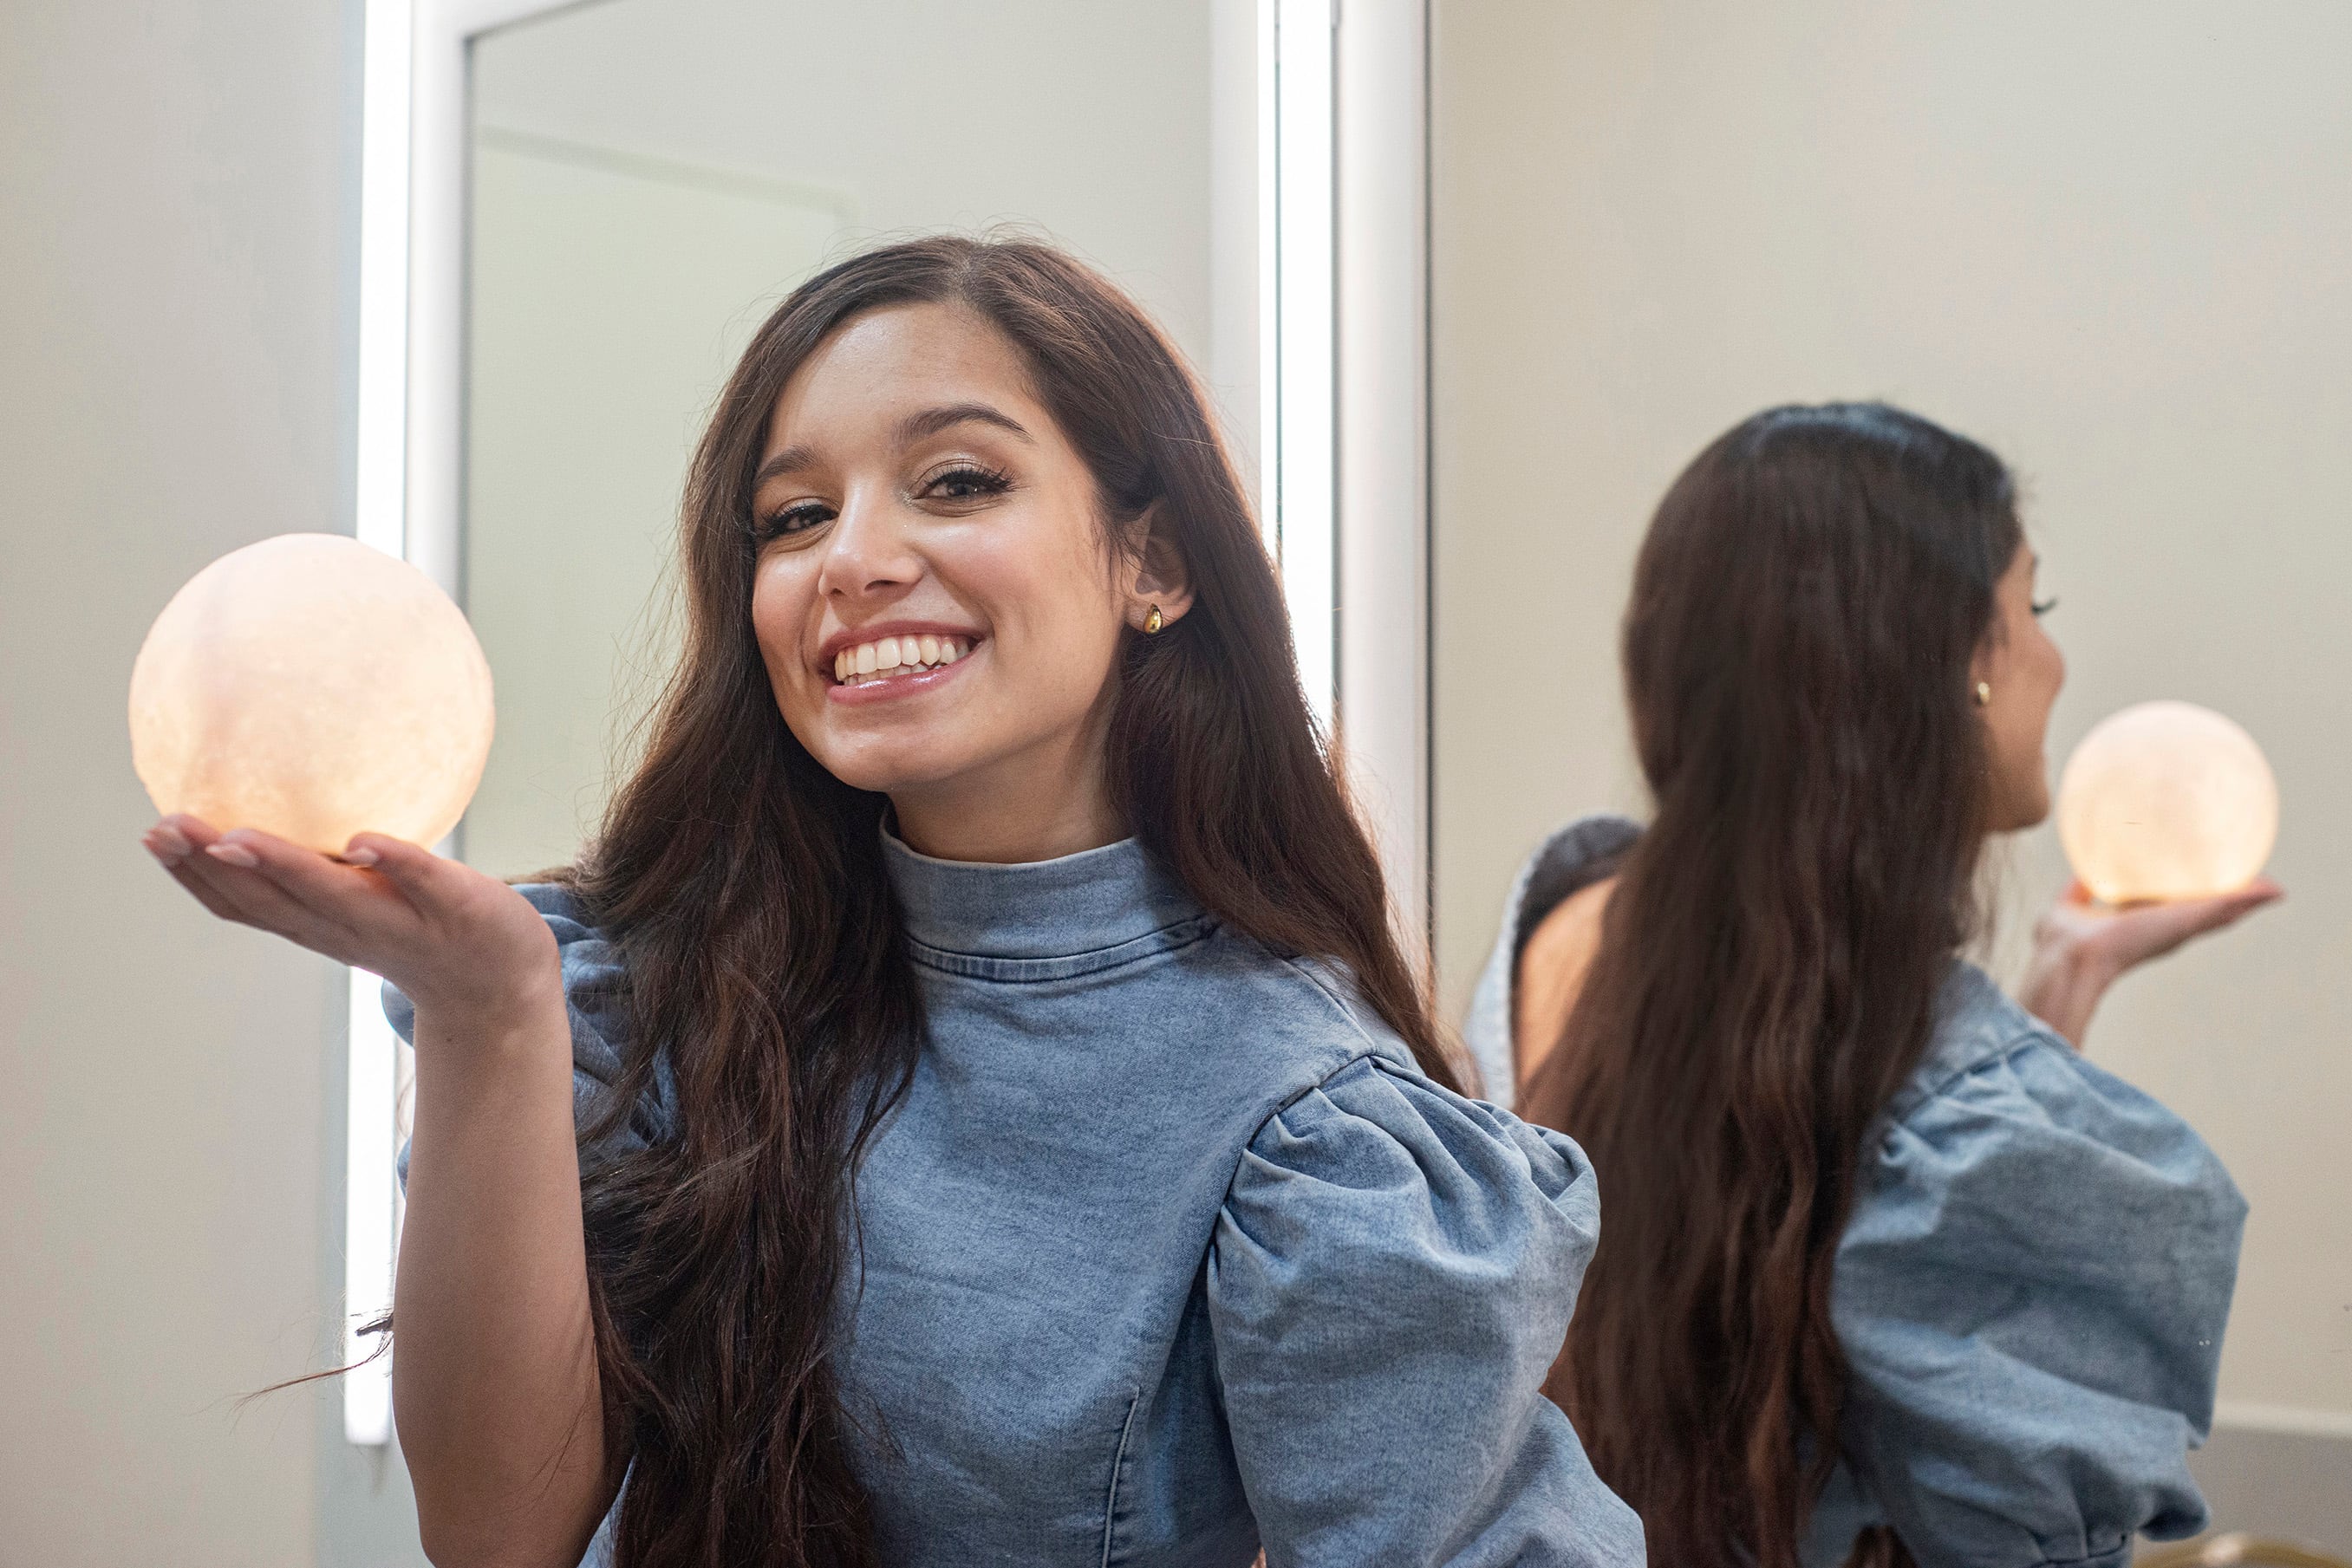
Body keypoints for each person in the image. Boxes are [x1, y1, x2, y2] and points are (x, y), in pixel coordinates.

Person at [144, 237, 1645, 1568]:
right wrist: (490, 1018)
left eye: (958, 482)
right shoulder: (638, 982)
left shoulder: (1311, 1131)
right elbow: (498, 1537)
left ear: (1157, 560)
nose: (853, 560)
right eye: (792, 517)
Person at [1465, 403, 2272, 1568]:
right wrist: (2012, 1057)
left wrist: (2059, 982)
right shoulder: (1985, 1131)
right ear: (1957, 673)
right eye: (2029, 609)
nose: (2053, 657)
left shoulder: (1565, 942)